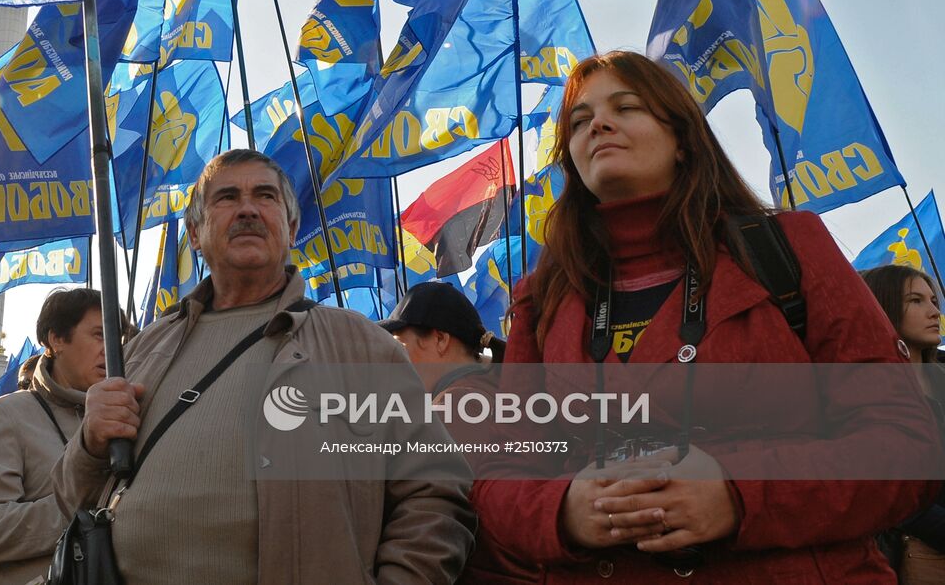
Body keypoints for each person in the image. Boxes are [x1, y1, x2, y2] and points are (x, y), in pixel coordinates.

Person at [473, 50, 939, 583]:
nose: (598, 123)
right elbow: (500, 478)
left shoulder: (789, 249)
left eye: (627, 107)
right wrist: (562, 512)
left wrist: (739, 495)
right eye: (580, 121)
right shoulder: (541, 298)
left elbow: (905, 448)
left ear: (682, 140)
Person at [55, 148, 476, 584]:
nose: (248, 210)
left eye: (265, 196)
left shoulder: (360, 347)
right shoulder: (144, 349)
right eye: (227, 197)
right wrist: (89, 443)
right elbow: (71, 499)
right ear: (195, 234)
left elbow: (436, 493)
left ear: (291, 228)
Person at [381, 280, 532, 585]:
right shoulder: (501, 393)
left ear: (439, 339)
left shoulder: (453, 408)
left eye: (399, 346)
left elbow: (433, 519)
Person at [0, 288, 106, 585]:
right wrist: (85, 514)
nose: (114, 346)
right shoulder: (11, 413)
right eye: (99, 335)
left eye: (120, 336)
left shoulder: (132, 414)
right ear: (57, 340)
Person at [864, 264, 945, 584]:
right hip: (913, 555)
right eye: (916, 301)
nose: (934, 311)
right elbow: (891, 491)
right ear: (881, 306)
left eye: (934, 301)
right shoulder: (866, 391)